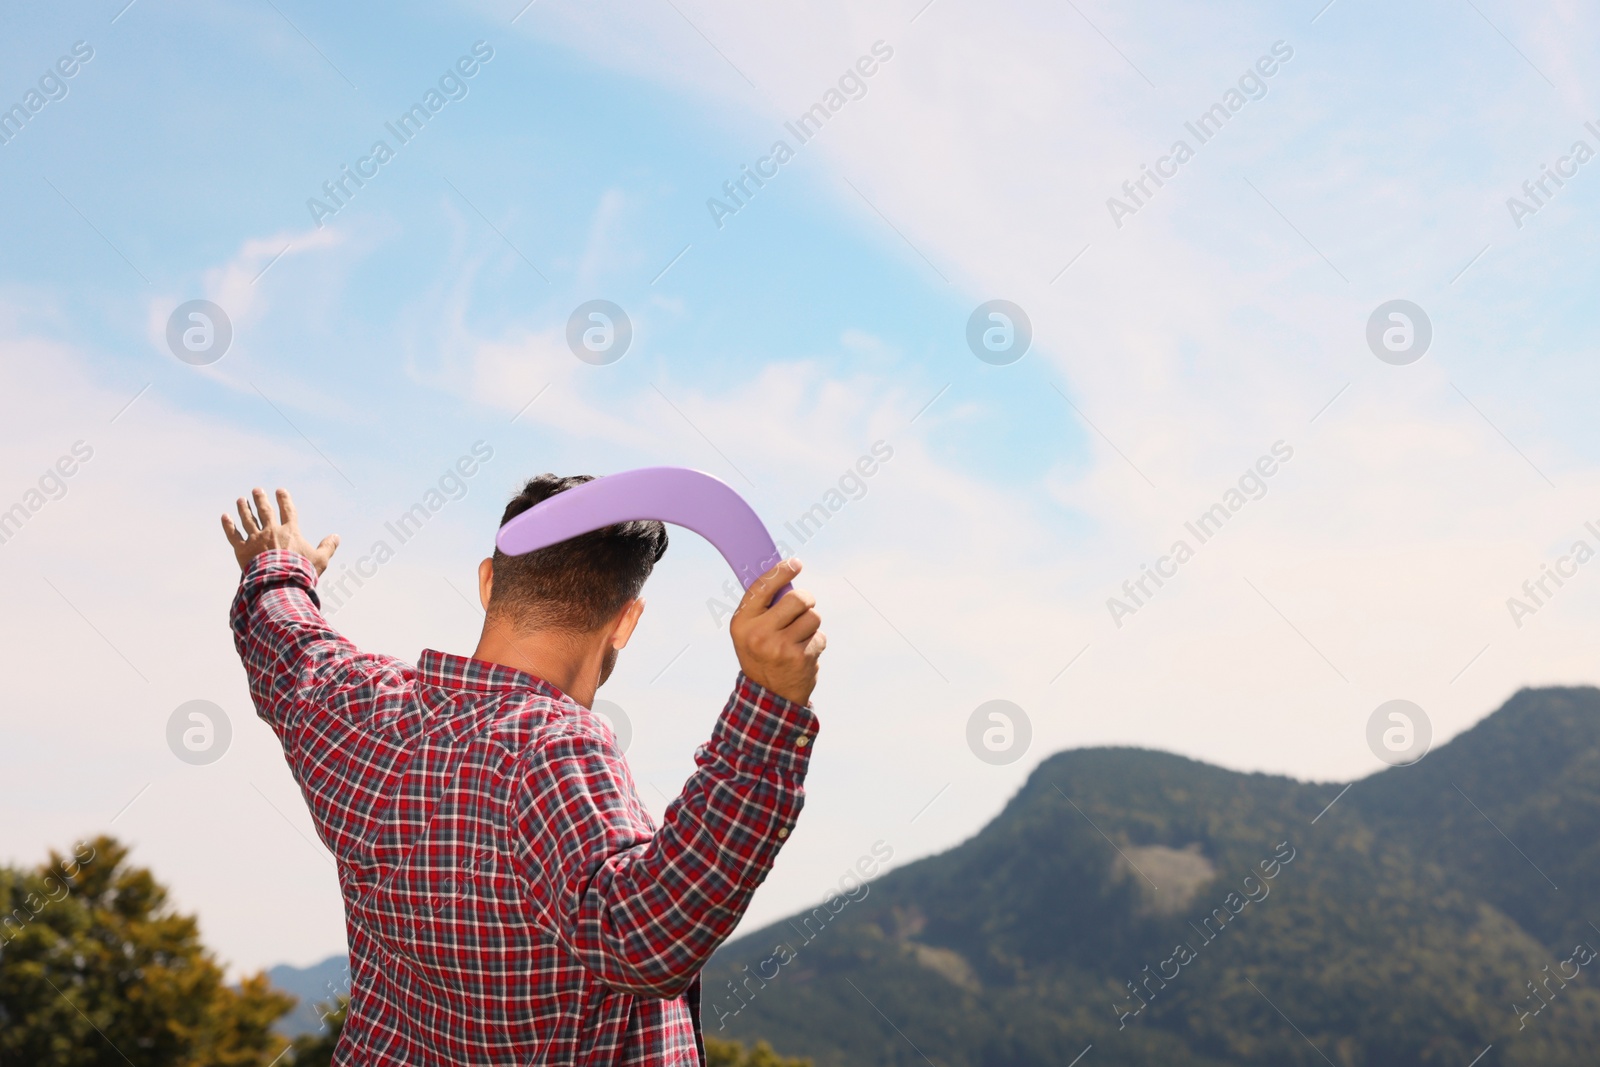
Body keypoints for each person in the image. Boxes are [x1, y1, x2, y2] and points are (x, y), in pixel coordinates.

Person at [221, 477, 825, 1066]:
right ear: (626, 621)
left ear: (487, 581)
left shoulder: (360, 707)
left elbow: (289, 644)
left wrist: (278, 566)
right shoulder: (556, 749)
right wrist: (768, 707)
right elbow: (646, 939)